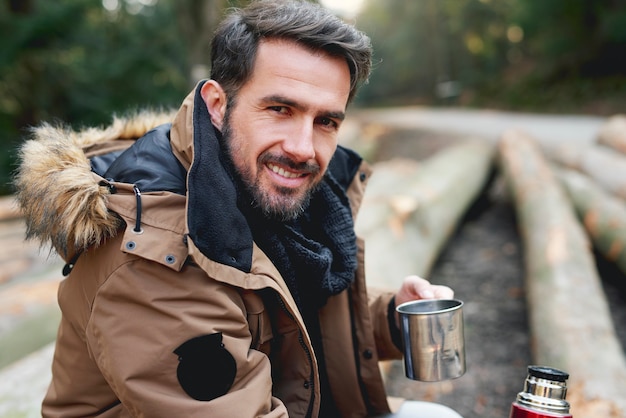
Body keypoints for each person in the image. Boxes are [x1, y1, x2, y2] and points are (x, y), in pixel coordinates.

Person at [15, 0, 455, 417]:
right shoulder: (152, 258)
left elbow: (295, 315)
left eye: (326, 121)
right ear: (218, 105)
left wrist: (392, 317)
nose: (304, 149)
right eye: (280, 109)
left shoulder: (275, 194)